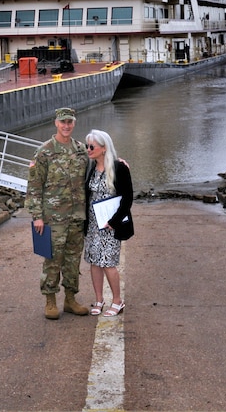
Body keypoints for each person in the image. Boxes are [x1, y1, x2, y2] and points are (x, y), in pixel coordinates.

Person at [26, 107, 91, 320]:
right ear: (56, 123)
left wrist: (120, 165)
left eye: (69, 122)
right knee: (52, 260)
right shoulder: (44, 152)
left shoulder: (81, 150)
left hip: (76, 216)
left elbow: (98, 164)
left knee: (73, 260)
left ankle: (70, 299)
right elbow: (35, 186)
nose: (66, 126)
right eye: (63, 122)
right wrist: (37, 216)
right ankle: (50, 300)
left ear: (74, 123)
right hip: (53, 217)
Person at [83, 129, 134, 317]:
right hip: (92, 224)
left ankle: (117, 301)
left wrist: (113, 222)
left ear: (103, 148)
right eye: (86, 146)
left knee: (108, 263)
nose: (88, 149)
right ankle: (98, 300)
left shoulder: (119, 168)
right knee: (94, 262)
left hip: (110, 224)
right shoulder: (90, 168)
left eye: (91, 147)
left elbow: (127, 198)